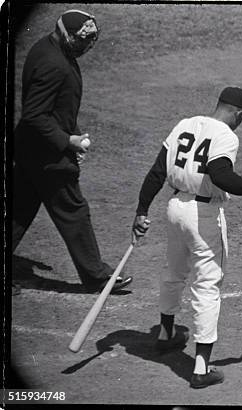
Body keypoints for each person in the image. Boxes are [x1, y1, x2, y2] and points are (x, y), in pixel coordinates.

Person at [132, 86, 242, 389]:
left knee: (173, 273)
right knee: (208, 285)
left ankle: (165, 335)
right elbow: (221, 176)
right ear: (238, 113)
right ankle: (201, 368)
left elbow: (157, 172)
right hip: (203, 216)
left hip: (174, 208)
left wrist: (141, 210)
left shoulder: (184, 124)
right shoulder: (226, 135)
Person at [12, 10, 132, 294]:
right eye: (83, 39)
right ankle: (97, 277)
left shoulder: (47, 48)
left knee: (18, 211)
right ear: (65, 33)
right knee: (73, 210)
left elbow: (56, 108)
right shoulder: (53, 63)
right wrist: (68, 142)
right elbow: (35, 115)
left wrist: (71, 135)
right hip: (46, 156)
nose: (86, 45)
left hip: (31, 149)